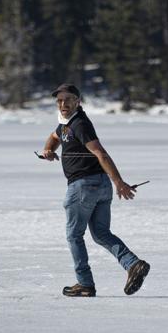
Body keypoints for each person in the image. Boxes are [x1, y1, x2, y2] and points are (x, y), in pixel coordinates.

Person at [40, 83, 149, 297]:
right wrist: (48, 151)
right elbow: (54, 137)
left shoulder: (80, 124)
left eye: (68, 99)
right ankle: (133, 264)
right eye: (59, 100)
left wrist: (119, 182)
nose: (63, 104)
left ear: (77, 102)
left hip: (83, 187)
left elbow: (101, 153)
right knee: (100, 233)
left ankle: (85, 283)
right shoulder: (65, 124)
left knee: (74, 235)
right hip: (100, 186)